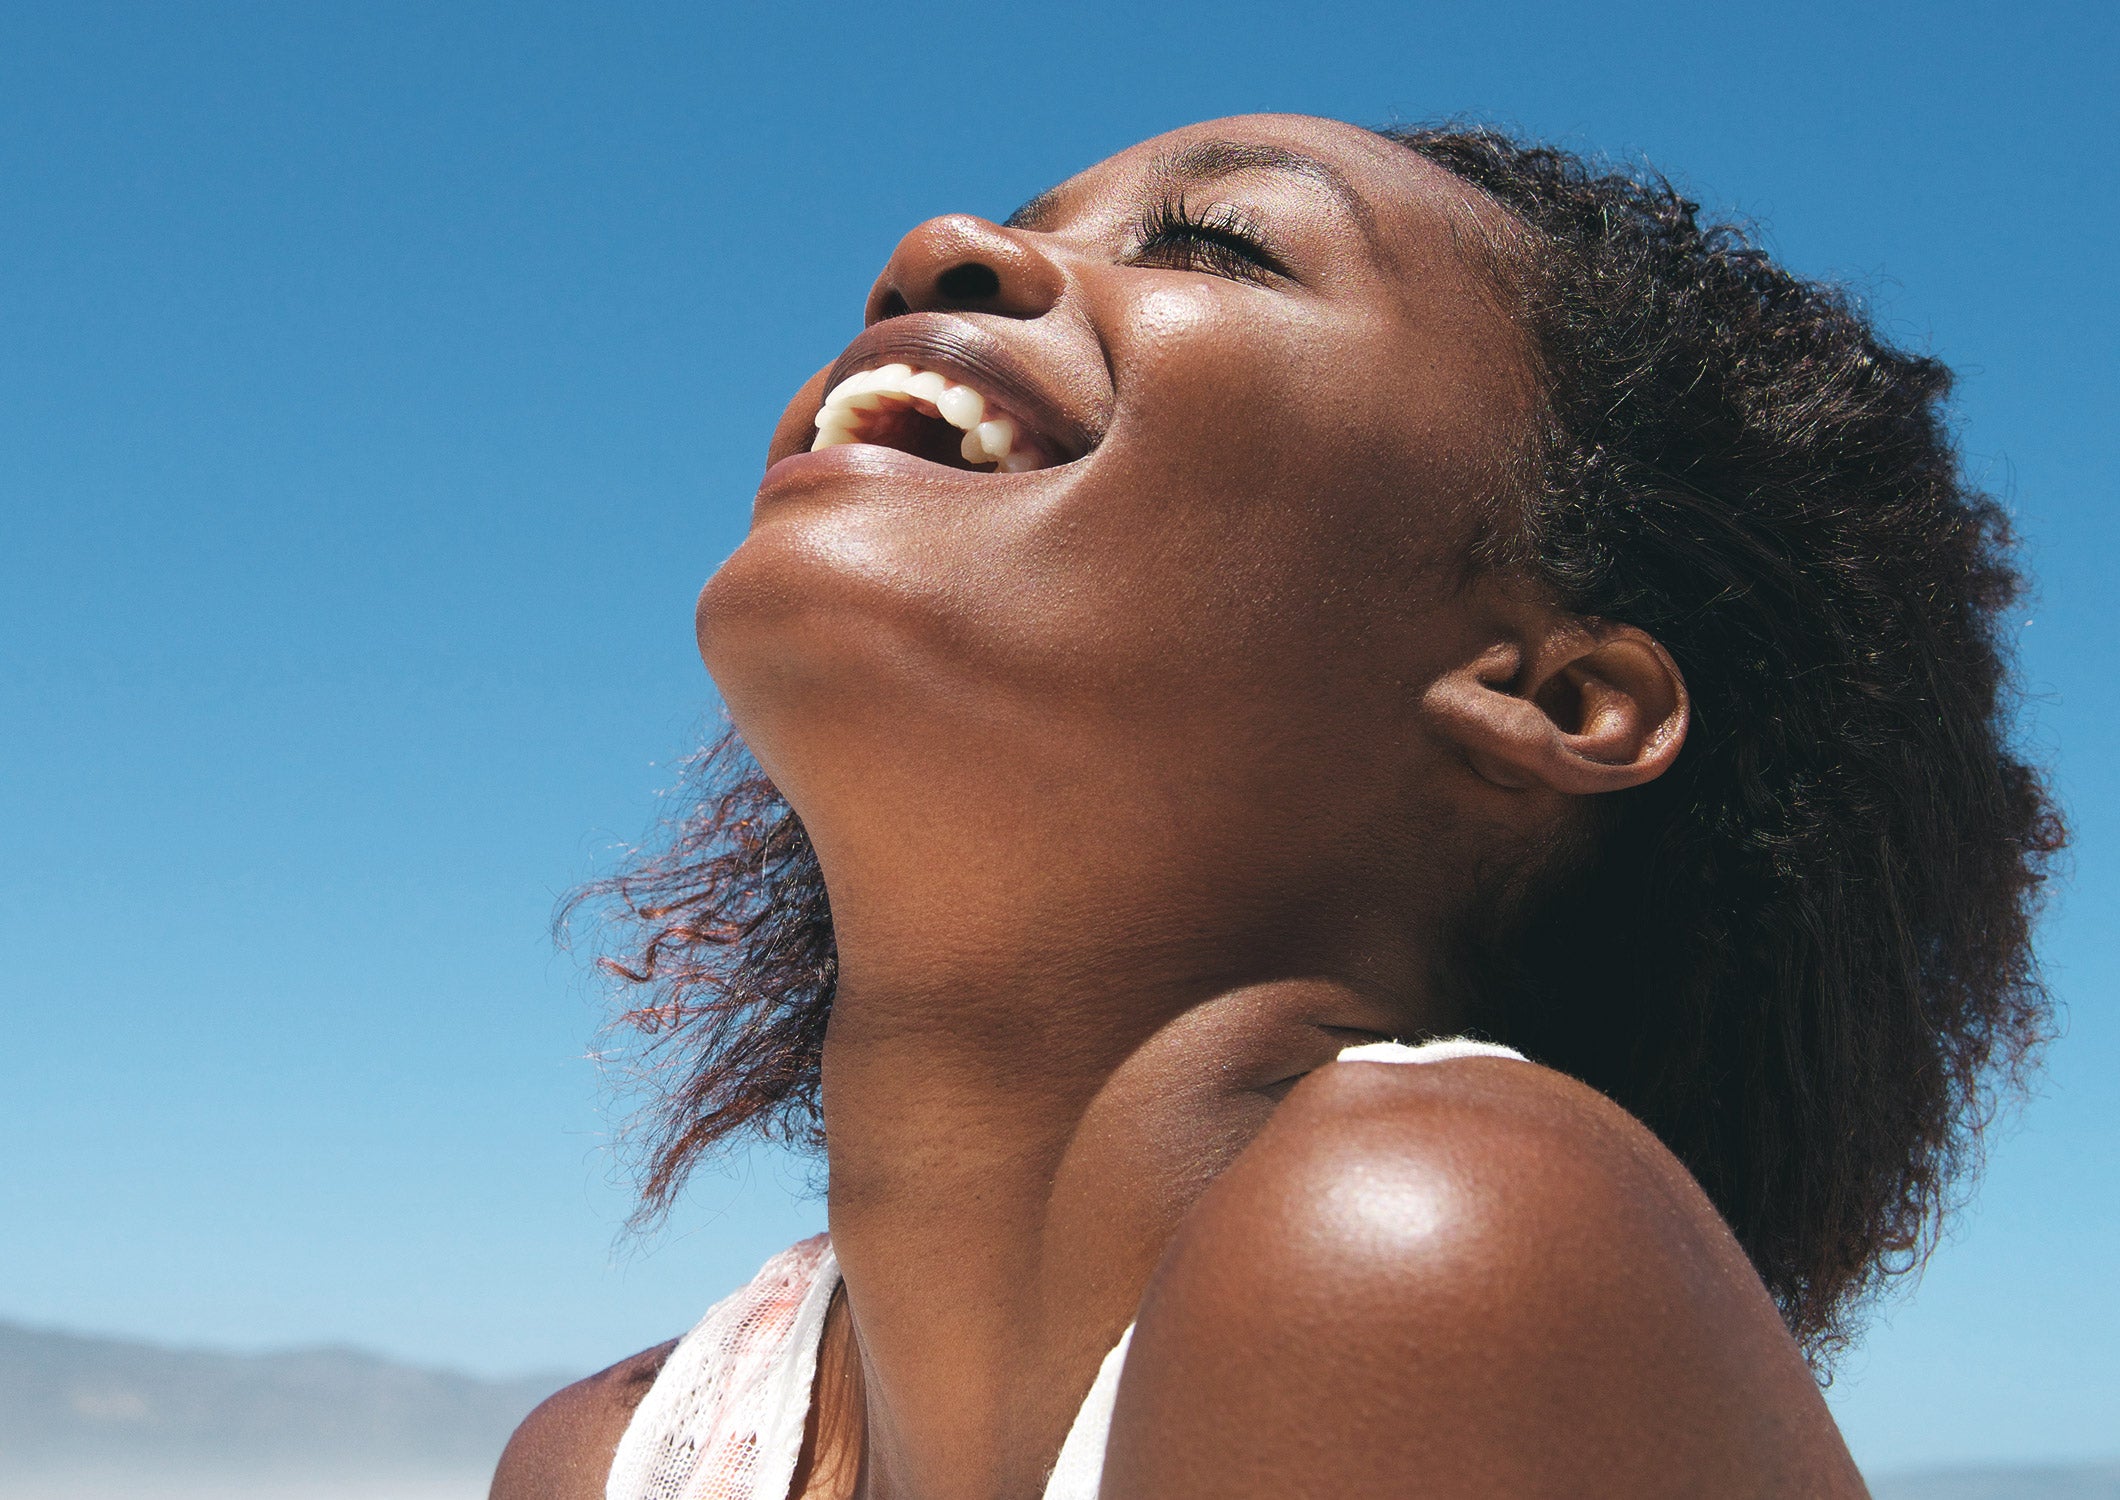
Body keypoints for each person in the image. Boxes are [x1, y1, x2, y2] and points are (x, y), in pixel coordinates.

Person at [490, 114, 2060, 1500]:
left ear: (1554, 698)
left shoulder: (1425, 1244)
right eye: (1018, 222)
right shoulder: (612, 1456)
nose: (940, 250)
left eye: (1224, 246)